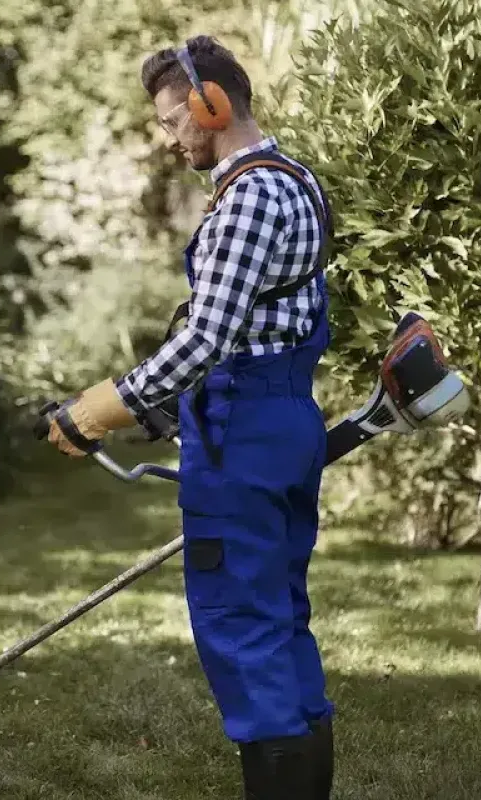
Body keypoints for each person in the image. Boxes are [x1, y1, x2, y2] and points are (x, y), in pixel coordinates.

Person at [42, 34, 336, 800]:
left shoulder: (246, 198)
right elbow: (259, 323)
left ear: (213, 105)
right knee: (280, 619)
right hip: (283, 419)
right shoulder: (296, 179)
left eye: (175, 121)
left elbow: (210, 336)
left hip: (244, 435)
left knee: (241, 628)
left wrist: (100, 410)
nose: (170, 138)